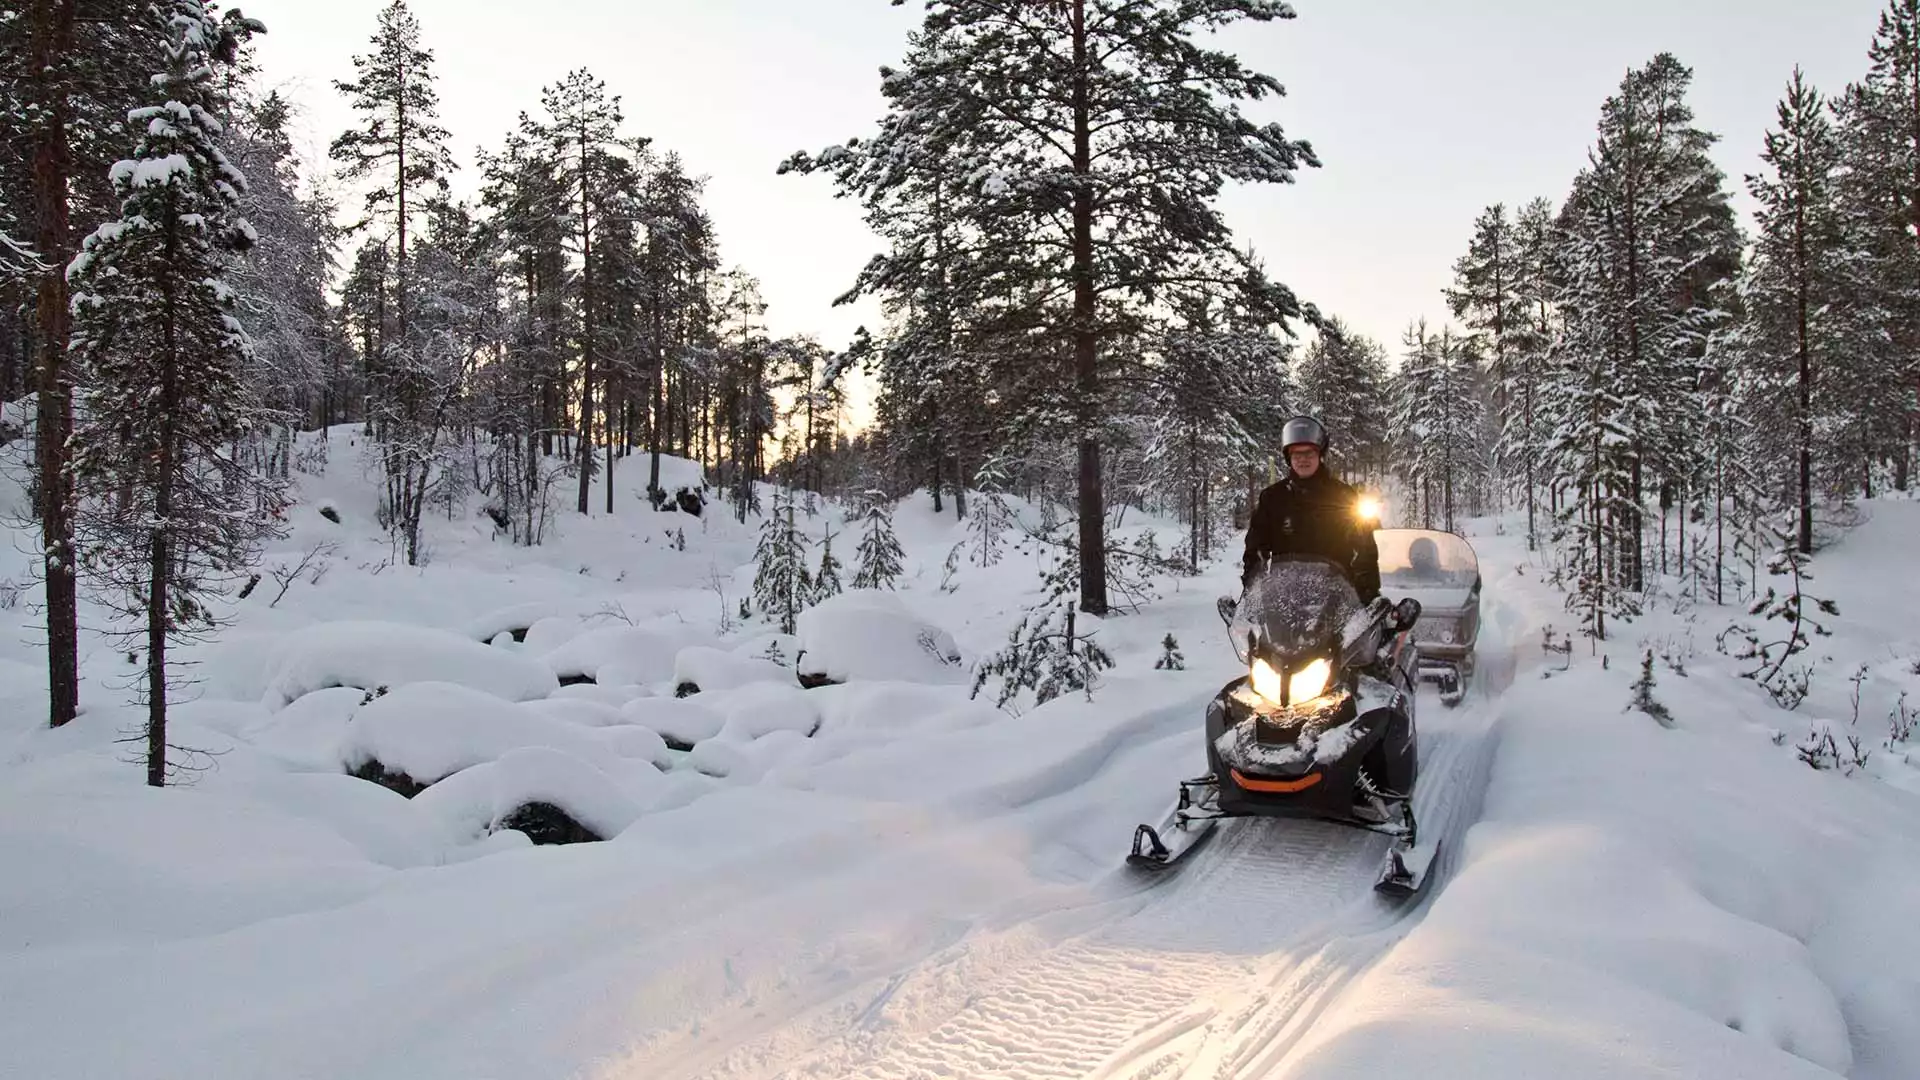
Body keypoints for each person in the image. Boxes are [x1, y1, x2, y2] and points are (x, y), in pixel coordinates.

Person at [1241, 416, 1381, 603]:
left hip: (1336, 598)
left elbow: (1364, 547)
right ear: (1288, 458)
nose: (1303, 460)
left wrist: (1366, 590)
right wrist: (1253, 588)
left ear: (1320, 455)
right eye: (1296, 455)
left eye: (1309, 454)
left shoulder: (1344, 496)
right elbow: (1255, 548)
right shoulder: (1272, 498)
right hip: (1284, 599)